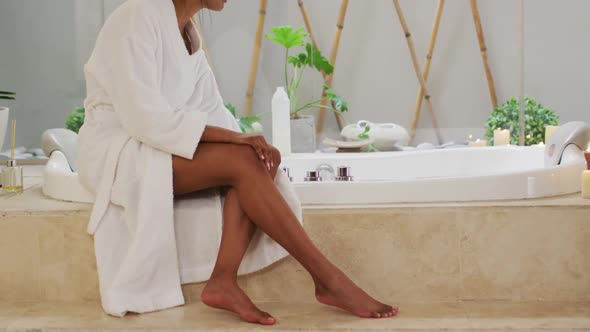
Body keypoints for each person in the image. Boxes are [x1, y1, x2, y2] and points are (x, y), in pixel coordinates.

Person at [77, 0, 398, 325]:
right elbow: (143, 118)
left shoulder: (188, 35)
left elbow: (211, 108)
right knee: (245, 160)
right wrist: (237, 141)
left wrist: (251, 143)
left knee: (255, 160)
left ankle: (223, 281)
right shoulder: (137, 16)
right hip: (120, 149)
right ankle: (328, 280)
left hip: (157, 143)